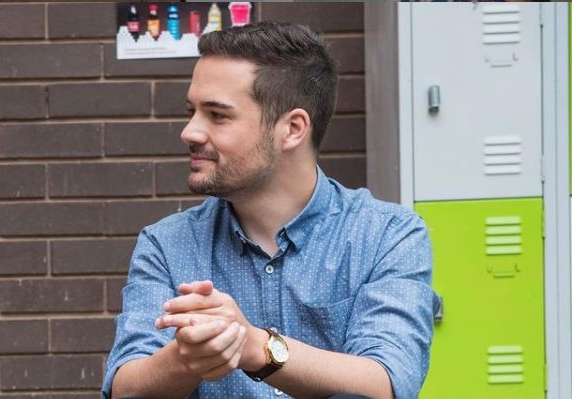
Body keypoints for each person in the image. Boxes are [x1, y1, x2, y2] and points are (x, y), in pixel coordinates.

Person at [102, 21, 437, 399]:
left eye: (217, 114)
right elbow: (124, 387)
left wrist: (255, 347)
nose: (190, 132)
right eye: (192, 110)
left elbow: (389, 382)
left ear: (293, 129)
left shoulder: (387, 235)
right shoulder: (167, 245)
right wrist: (187, 355)